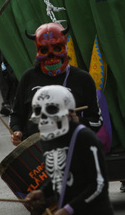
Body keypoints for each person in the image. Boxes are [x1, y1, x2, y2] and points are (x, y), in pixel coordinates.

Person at [10, 22, 103, 146]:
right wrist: (17, 131)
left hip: (73, 148)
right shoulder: (28, 77)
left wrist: (78, 120)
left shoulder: (83, 79)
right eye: (44, 50)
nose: (51, 56)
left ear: (65, 48)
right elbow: (17, 114)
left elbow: (97, 121)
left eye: (57, 48)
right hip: (37, 152)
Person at [25, 85, 113, 215]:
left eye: (51, 109)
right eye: (38, 110)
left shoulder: (85, 137)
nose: (44, 117)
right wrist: (43, 192)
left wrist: (69, 209)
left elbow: (99, 184)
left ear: (68, 110)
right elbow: (60, 175)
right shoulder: (47, 139)